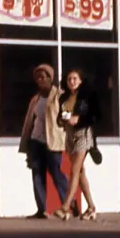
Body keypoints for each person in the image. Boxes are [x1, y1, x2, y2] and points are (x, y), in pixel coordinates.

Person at [18, 64, 75, 219]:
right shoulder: (35, 99)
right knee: (37, 173)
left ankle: (68, 203)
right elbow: (30, 121)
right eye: (37, 77)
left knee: (56, 172)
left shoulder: (59, 95)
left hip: (53, 140)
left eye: (43, 77)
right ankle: (41, 209)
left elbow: (68, 115)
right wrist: (27, 143)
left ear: (50, 78)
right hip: (36, 140)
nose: (40, 80)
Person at [54, 69, 99, 221]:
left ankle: (65, 207)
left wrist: (78, 119)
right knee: (80, 173)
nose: (71, 81)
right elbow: (59, 118)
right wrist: (62, 120)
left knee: (74, 170)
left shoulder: (85, 97)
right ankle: (91, 207)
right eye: (69, 79)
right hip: (69, 134)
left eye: (75, 79)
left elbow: (93, 115)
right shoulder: (65, 98)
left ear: (80, 80)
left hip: (83, 134)